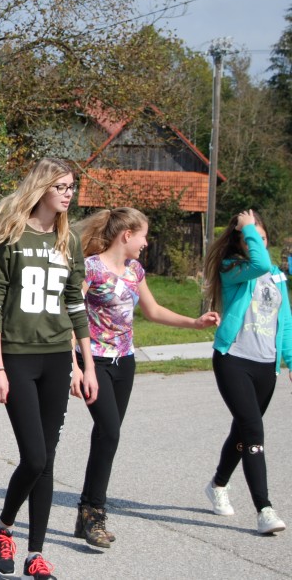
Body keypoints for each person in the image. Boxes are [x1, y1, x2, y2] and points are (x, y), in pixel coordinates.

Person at [72, 208, 220, 548]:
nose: (146, 242)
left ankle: (86, 512)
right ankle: (94, 513)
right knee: (108, 431)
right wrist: (75, 367)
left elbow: (152, 311)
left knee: (108, 436)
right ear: (126, 235)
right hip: (93, 360)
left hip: (125, 363)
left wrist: (194, 323)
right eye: (143, 235)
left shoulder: (135, 270)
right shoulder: (91, 268)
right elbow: (70, 316)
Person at [0, 157, 98, 580]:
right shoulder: (11, 238)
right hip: (16, 358)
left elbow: (76, 305)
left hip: (56, 359)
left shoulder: (69, 242)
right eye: (62, 187)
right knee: (33, 457)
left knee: (47, 461)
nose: (69, 194)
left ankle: (36, 553)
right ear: (42, 188)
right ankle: (3, 526)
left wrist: (86, 365)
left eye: (72, 187)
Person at [203, 209, 291, 535]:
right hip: (234, 360)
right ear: (243, 242)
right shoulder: (234, 268)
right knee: (254, 431)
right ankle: (264, 509)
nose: (260, 244)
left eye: (263, 237)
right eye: (254, 238)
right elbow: (260, 263)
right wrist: (248, 230)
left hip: (266, 366)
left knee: (243, 431)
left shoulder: (278, 278)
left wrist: (291, 362)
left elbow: (286, 323)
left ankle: (218, 484)